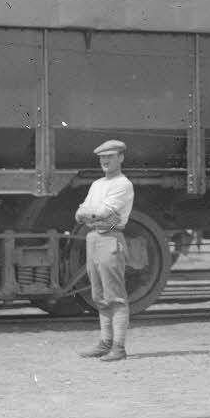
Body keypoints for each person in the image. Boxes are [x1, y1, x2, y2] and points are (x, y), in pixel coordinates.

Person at [76, 139, 135, 362]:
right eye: (102, 158)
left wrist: (90, 213)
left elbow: (103, 212)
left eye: (110, 157)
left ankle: (119, 347)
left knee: (115, 296)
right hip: (93, 238)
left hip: (111, 238)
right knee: (99, 295)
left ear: (121, 158)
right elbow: (81, 212)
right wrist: (93, 213)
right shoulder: (97, 185)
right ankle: (105, 343)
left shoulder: (123, 184)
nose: (105, 161)